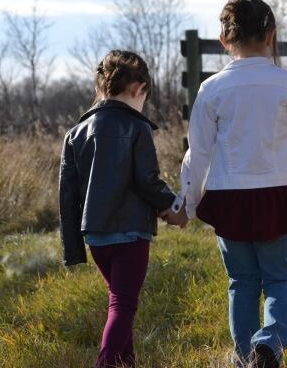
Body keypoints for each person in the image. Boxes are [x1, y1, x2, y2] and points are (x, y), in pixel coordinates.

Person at [177, 0, 287, 368]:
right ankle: (270, 343)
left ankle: (246, 357)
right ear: (271, 35)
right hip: (275, 195)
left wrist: (187, 203)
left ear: (225, 39)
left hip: (228, 199)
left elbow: (198, 153)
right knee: (279, 278)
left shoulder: (212, 89)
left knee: (241, 282)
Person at [59, 49, 188, 368]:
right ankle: (107, 363)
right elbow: (147, 180)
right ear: (138, 89)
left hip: (96, 238)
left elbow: (67, 196)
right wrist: (173, 207)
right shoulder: (136, 127)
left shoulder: (75, 133)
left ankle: (124, 361)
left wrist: (74, 248)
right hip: (130, 234)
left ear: (100, 88)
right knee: (123, 304)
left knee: (119, 300)